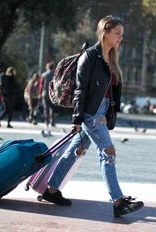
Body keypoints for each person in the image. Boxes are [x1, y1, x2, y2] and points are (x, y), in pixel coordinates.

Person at [41, 15, 144, 217]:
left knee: (75, 151)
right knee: (108, 152)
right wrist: (77, 119)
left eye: (122, 34)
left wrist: (108, 113)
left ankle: (51, 191)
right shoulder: (90, 56)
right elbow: (81, 90)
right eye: (117, 33)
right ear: (105, 32)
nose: (120, 38)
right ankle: (118, 202)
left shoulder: (112, 58)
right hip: (90, 113)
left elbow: (112, 92)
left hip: (101, 112)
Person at [39, 62, 56, 127]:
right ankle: (52, 122)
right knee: (52, 108)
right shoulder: (55, 74)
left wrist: (40, 93)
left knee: (46, 108)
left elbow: (41, 85)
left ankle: (46, 122)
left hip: (45, 93)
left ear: (47, 67)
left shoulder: (44, 75)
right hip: (53, 93)